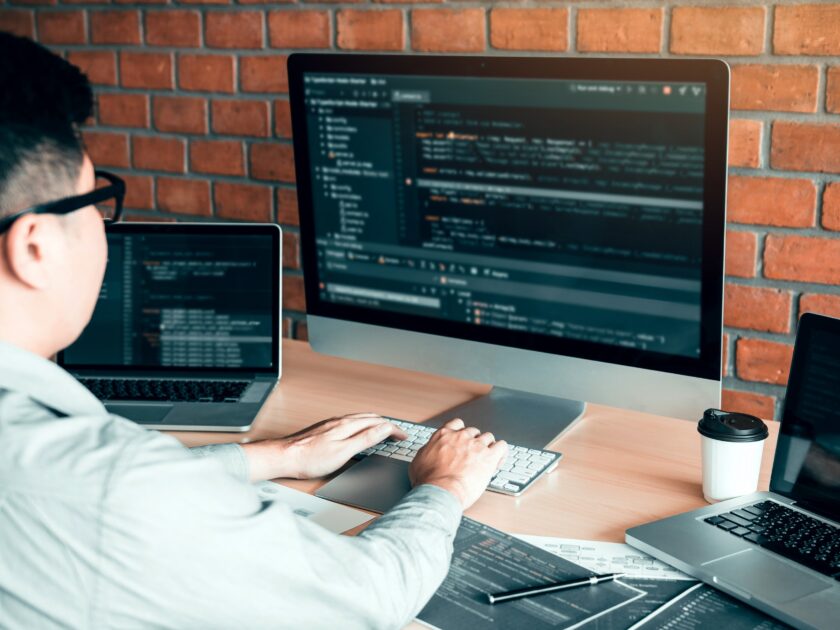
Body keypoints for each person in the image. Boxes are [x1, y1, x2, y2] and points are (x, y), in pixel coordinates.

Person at [0, 33, 507, 629]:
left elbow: (98, 485)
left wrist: (277, 455)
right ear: (34, 245)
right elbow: (366, 599)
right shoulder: (109, 486)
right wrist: (444, 486)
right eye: (96, 201)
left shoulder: (63, 465)